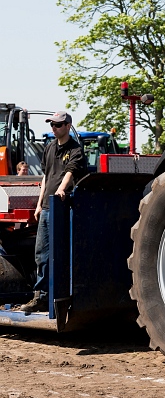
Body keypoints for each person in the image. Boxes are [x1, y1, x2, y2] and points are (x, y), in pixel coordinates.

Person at [18, 111, 86, 313]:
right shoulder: (49, 148)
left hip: (63, 207)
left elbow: (70, 173)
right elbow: (46, 178)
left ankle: (61, 297)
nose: (53, 128)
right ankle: (41, 297)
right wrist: (39, 205)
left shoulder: (76, 150)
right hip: (48, 207)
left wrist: (62, 190)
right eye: (52, 125)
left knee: (61, 254)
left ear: (67, 126)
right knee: (41, 254)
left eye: (57, 125)